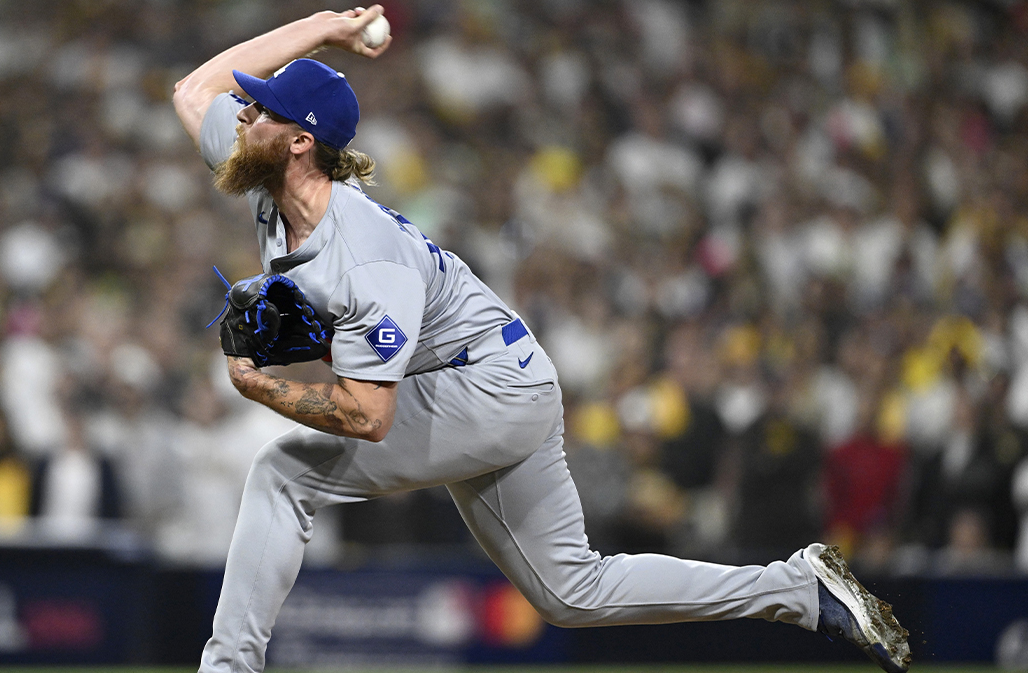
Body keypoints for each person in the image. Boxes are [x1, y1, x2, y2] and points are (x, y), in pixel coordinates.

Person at [172, 7, 911, 673]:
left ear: (300, 141)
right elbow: (192, 90)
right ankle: (797, 589)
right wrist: (325, 27)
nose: (243, 115)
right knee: (571, 591)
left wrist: (262, 384)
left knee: (280, 472)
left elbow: (370, 417)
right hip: (488, 377)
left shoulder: (363, 257)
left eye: (260, 109)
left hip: (485, 386)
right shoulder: (265, 173)